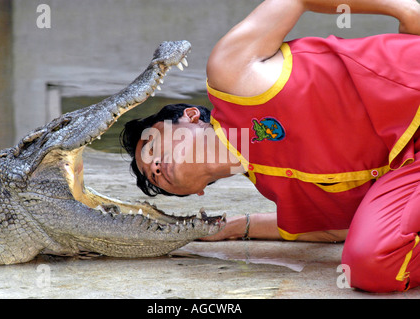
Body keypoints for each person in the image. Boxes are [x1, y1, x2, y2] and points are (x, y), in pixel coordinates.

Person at [120, 0, 420, 293]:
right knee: (368, 264)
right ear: (194, 191)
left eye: (152, 145)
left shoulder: (233, 77)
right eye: (152, 176)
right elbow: (336, 231)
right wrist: (236, 227)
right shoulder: (280, 191)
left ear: (190, 116)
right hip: (412, 171)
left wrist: (405, 8)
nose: (155, 165)